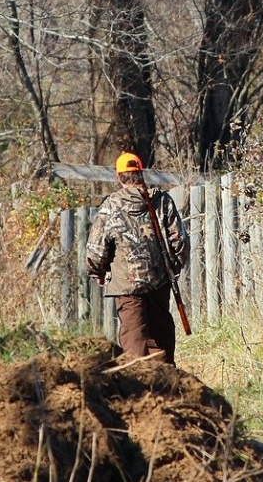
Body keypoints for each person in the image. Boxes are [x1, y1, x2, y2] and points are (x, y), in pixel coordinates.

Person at [86, 152, 188, 365]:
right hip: (160, 281)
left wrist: (98, 272)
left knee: (134, 338)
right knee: (160, 337)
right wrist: (172, 268)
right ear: (141, 173)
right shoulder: (162, 200)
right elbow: (180, 241)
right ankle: (166, 379)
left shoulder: (111, 206)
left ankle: (138, 380)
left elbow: (96, 249)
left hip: (127, 286)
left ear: (119, 177)